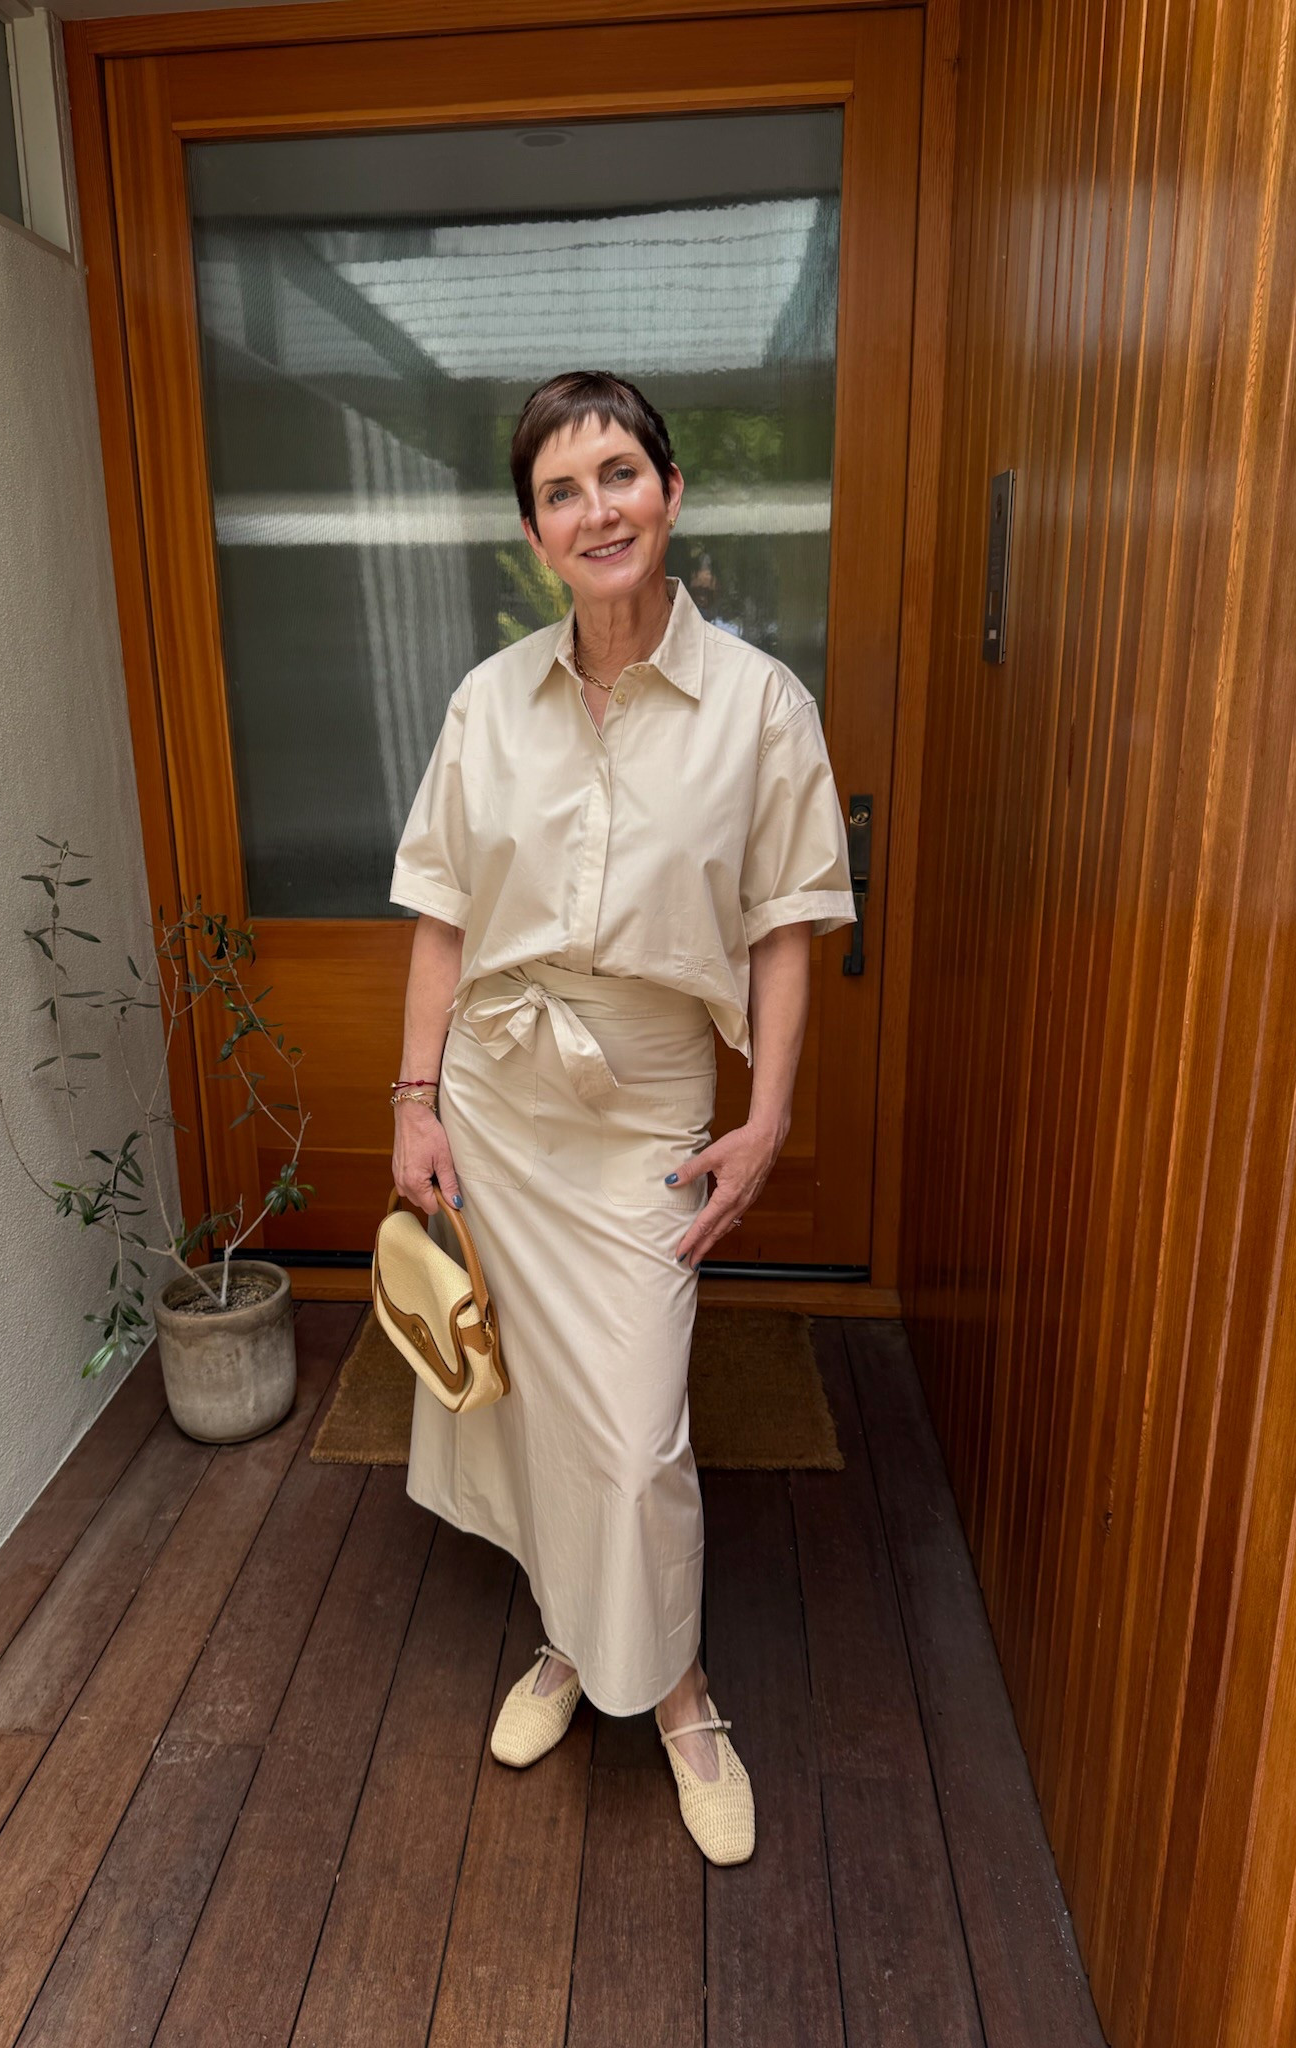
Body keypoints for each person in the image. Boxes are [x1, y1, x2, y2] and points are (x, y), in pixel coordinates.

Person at [388, 370, 856, 1866]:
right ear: (534, 531)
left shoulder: (761, 708)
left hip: (648, 1097)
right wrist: (413, 1102)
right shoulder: (488, 703)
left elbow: (788, 926)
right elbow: (444, 920)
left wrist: (768, 1115)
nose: (597, 509)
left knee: (639, 1430)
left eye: (620, 474)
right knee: (527, 1404)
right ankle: (575, 1642)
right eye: (562, 490)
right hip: (499, 1103)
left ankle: (680, 1695)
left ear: (669, 490)